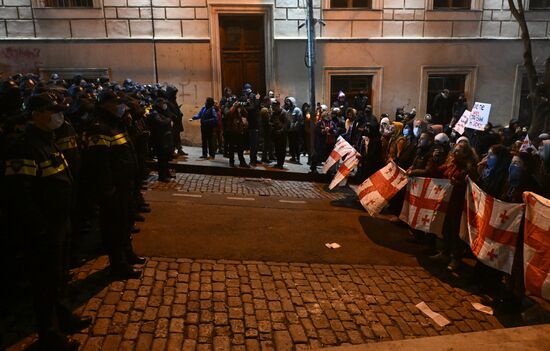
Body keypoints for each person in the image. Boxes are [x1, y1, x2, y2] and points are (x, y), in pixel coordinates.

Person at [3, 92, 87, 350]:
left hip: (60, 222)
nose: (58, 116)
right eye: (52, 111)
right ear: (36, 114)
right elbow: (20, 194)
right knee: (45, 282)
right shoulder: (25, 147)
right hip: (44, 228)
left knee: (60, 275)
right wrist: (39, 227)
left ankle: (63, 316)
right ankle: (49, 334)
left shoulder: (47, 141)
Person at [85, 90, 143, 279]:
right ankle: (118, 264)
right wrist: (108, 189)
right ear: (105, 105)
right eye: (116, 103)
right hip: (114, 189)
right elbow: (99, 163)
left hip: (125, 185)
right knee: (115, 227)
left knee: (126, 222)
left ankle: (127, 253)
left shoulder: (115, 125)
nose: (120, 107)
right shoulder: (99, 128)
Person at [149, 98, 174, 182]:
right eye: (162, 103)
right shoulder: (154, 113)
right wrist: (169, 120)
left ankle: (166, 173)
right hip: (159, 139)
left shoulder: (161, 112)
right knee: (162, 158)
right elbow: (161, 123)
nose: (164, 105)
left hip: (165, 138)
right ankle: (162, 176)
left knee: (166, 157)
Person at [225, 98, 250, 168]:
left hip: (239, 130)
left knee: (240, 148)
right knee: (231, 148)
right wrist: (234, 106)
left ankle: (242, 162)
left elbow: (246, 114)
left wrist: (242, 107)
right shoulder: (226, 107)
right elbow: (228, 114)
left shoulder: (238, 108)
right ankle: (231, 162)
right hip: (231, 131)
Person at [271, 100, 290, 169]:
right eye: (272, 106)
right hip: (276, 134)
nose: (273, 108)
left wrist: (281, 131)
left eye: (274, 106)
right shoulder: (274, 113)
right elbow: (271, 121)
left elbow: (286, 124)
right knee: (277, 149)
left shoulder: (284, 113)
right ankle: (278, 163)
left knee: (281, 150)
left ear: (278, 106)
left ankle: (281, 164)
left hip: (282, 135)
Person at [285, 96, 304, 164]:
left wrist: (295, 126)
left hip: (296, 131)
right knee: (291, 144)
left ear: (292, 102)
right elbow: (287, 121)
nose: (287, 103)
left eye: (289, 101)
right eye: (287, 101)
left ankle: (297, 158)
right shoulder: (288, 111)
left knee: (296, 144)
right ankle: (293, 157)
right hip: (290, 131)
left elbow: (300, 120)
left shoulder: (297, 110)